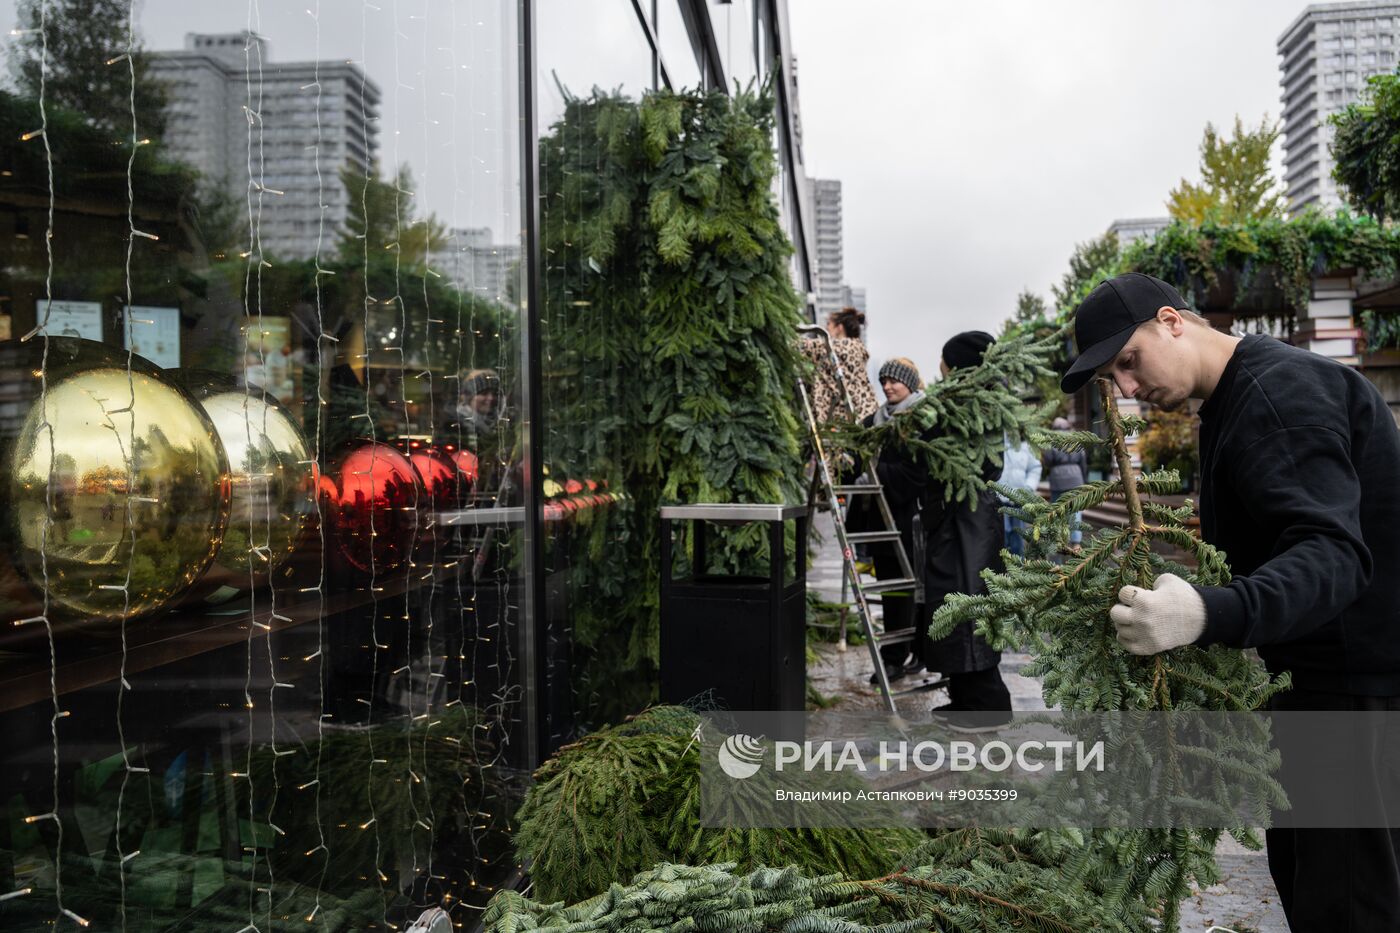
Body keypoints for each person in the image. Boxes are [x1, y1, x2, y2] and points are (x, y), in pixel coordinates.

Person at [1060, 271, 1400, 931]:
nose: (1127, 388)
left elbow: (1333, 554)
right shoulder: (1242, 393)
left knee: (1346, 901)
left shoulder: (1275, 396)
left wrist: (1207, 613)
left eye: (1129, 360)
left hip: (1351, 691)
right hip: (1324, 683)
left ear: (1171, 321)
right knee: (1314, 880)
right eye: (1113, 378)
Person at [924, 331, 1013, 729]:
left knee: (966, 606)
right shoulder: (976, 404)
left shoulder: (970, 408)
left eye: (945, 362)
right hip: (965, 521)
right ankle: (964, 698)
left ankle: (987, 705)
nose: (940, 370)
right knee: (957, 604)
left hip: (966, 524)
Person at [850, 358, 928, 683]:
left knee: (915, 590)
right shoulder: (874, 421)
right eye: (883, 381)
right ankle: (894, 656)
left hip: (911, 520)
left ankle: (915, 652)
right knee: (892, 592)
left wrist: (875, 472)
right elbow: (856, 461)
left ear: (909, 382)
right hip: (880, 521)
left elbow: (918, 471)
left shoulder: (922, 417)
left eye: (894, 380)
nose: (887, 386)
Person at [800, 307, 879, 424]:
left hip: (847, 416)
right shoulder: (857, 348)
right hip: (866, 411)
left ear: (839, 328)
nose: (826, 328)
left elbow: (802, 347)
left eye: (829, 324)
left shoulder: (838, 347)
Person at [1042, 416, 1087, 549]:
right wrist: (1084, 480)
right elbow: (1083, 462)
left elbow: (1048, 460)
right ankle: (1076, 543)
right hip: (1076, 478)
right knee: (1076, 511)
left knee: (1057, 510)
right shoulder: (1075, 439)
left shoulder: (1052, 440)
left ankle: (1060, 540)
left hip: (1058, 479)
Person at [997, 435, 1041, 556]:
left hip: (1019, 500)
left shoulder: (1026, 447)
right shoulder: (998, 443)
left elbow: (1035, 468)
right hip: (998, 500)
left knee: (1018, 537)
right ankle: (1001, 564)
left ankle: (1017, 564)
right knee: (1002, 536)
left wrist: (1028, 487)